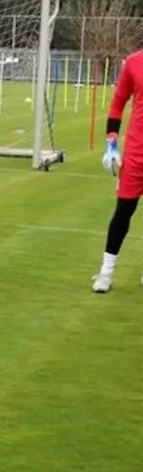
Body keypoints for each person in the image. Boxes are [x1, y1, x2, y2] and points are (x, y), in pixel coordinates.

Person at [92, 47, 143, 293]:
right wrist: (111, 145)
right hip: (136, 154)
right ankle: (106, 273)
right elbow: (117, 104)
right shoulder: (134, 63)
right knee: (123, 211)